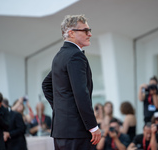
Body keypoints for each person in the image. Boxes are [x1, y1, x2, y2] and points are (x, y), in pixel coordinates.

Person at [42, 14, 101, 150]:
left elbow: (46, 85)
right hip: (77, 131)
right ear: (71, 33)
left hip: (61, 130)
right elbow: (81, 93)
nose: (90, 34)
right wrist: (93, 126)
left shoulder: (59, 56)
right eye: (86, 30)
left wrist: (62, 109)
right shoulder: (76, 56)